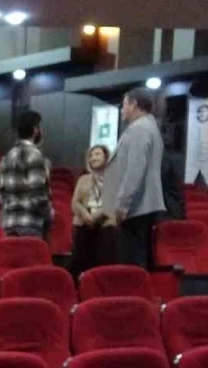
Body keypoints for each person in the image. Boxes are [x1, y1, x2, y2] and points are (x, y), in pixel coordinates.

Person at [102, 87, 166, 267]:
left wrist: (122, 204)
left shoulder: (140, 129)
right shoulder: (149, 127)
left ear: (134, 104)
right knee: (135, 259)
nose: (121, 110)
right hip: (141, 207)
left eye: (124, 105)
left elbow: (135, 171)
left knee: (131, 262)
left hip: (136, 208)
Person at [0, 110, 54, 239]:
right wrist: (50, 214)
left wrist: (10, 207)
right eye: (40, 127)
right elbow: (38, 195)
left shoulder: (8, 156)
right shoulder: (35, 155)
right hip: (30, 225)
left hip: (8, 224)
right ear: (35, 129)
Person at [70, 144, 118, 274]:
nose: (93, 158)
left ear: (106, 157)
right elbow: (75, 202)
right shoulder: (83, 179)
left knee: (106, 247)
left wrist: (96, 216)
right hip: (85, 222)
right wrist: (85, 214)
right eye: (91, 155)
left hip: (106, 223)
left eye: (97, 154)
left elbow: (113, 202)